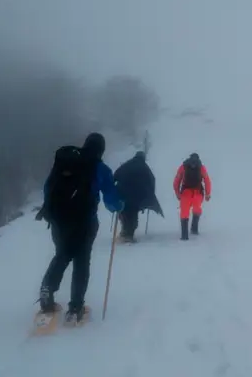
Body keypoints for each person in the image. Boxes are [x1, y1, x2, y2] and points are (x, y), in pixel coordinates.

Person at [35, 132, 123, 324]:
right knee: (82, 261)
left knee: (63, 254)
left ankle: (47, 288)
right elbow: (112, 201)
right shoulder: (100, 168)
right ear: (101, 149)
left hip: (58, 221)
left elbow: (48, 188)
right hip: (84, 222)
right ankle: (75, 308)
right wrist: (119, 206)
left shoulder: (65, 162)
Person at [113, 151, 164, 243]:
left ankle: (124, 231)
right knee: (132, 214)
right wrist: (150, 194)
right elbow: (152, 180)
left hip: (123, 194)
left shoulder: (126, 165)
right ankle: (128, 235)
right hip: (137, 196)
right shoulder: (145, 167)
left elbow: (115, 175)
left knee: (124, 211)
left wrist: (114, 189)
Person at [173, 153, 212, 240]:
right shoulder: (201, 167)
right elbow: (207, 180)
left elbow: (176, 181)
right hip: (198, 193)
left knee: (184, 213)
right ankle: (194, 229)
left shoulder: (183, 166)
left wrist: (177, 193)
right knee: (197, 209)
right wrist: (207, 194)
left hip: (185, 193)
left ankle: (184, 235)